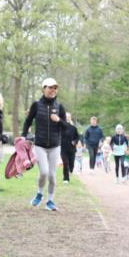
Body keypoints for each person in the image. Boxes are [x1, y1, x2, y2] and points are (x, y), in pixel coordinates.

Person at [21, 77, 67, 211]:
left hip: (55, 146)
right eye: (50, 87)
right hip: (40, 145)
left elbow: (66, 128)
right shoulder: (36, 105)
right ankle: (39, 193)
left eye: (55, 88)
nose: (53, 90)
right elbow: (28, 121)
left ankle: (50, 201)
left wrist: (58, 120)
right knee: (44, 172)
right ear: (43, 89)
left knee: (52, 175)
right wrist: (24, 137)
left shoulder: (60, 107)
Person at [60, 112, 79, 184]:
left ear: (70, 118)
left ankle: (71, 170)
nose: (67, 118)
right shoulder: (60, 127)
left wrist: (74, 141)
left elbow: (77, 137)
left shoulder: (73, 128)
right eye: (66, 116)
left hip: (72, 149)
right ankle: (66, 179)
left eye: (68, 117)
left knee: (71, 164)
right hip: (63, 149)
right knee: (65, 163)